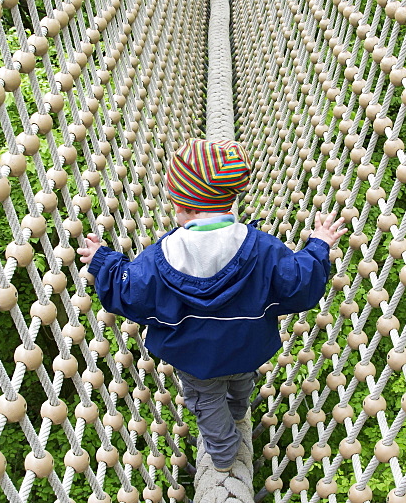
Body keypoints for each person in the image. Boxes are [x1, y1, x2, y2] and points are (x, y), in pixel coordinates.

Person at [77, 138, 347, 472]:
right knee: (240, 383)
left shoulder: (162, 256)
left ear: (183, 207)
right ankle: (238, 414)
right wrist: (318, 245)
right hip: (246, 347)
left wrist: (104, 262)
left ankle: (223, 455)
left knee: (206, 401)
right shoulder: (261, 247)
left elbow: (129, 292)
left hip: (195, 358)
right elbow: (300, 282)